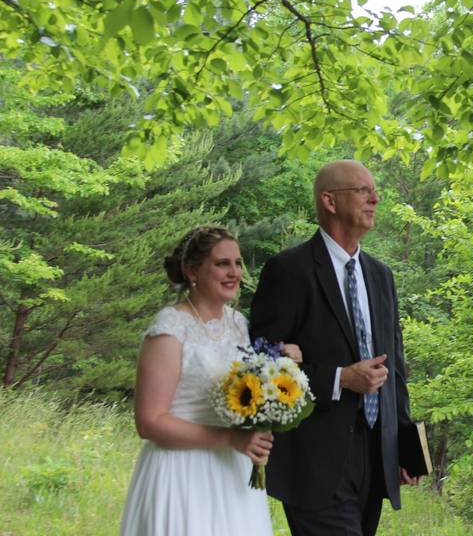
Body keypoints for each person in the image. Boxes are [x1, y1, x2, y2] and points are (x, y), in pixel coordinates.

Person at [249, 159, 418, 536]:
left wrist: (405, 443)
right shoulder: (288, 271)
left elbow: (397, 367)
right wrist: (341, 379)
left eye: (375, 191)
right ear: (329, 200)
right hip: (315, 461)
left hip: (375, 457)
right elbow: (263, 370)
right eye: (363, 190)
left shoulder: (381, 275)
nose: (375, 198)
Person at [120, 226, 288, 535]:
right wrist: (230, 439)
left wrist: (282, 366)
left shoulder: (238, 324)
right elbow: (149, 422)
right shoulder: (170, 327)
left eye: (238, 263)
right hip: (181, 472)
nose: (234, 272)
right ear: (191, 270)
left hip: (232, 474)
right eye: (222, 263)